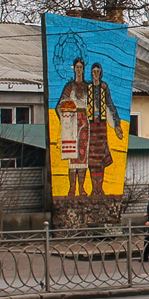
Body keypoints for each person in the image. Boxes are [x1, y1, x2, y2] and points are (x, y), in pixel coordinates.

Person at [83, 62, 124, 198]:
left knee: (100, 156)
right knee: (91, 157)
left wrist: (117, 123)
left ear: (100, 73)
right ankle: (94, 187)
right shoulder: (87, 87)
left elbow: (110, 104)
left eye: (97, 71)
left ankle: (99, 187)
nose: (95, 73)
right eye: (93, 71)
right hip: (90, 125)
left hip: (101, 125)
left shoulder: (104, 87)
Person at [56, 58, 90, 197]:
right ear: (74, 69)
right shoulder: (69, 86)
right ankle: (72, 188)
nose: (79, 69)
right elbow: (59, 105)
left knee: (83, 156)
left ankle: (81, 188)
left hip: (84, 123)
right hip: (72, 122)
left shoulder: (88, 87)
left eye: (81, 67)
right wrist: (65, 121)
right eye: (77, 67)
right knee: (72, 156)